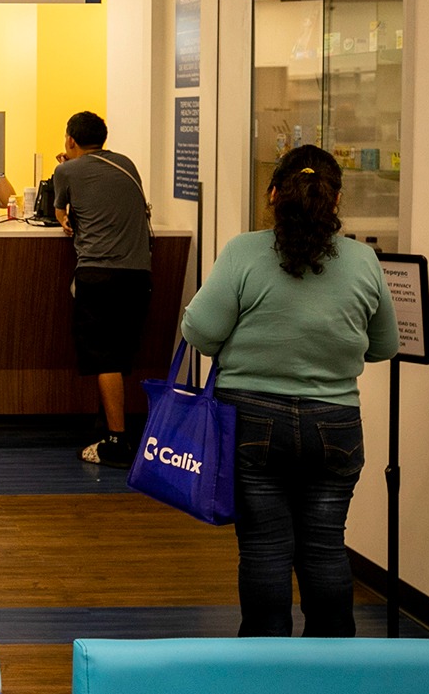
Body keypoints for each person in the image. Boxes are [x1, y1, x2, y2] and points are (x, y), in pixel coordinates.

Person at [180, 144, 398, 637]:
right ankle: (332, 658)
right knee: (324, 545)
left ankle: (266, 660)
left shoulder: (243, 252)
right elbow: (383, 345)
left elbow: (199, 332)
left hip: (252, 422)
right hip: (335, 425)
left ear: (273, 194)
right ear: (336, 201)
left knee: (262, 547)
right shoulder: (364, 260)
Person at [50, 111, 152, 466]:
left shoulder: (66, 170)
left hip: (100, 274)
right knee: (120, 355)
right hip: (139, 274)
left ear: (70, 140)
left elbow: (62, 215)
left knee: (104, 357)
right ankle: (109, 424)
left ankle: (116, 441)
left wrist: (66, 171)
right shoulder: (127, 164)